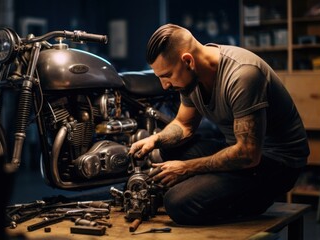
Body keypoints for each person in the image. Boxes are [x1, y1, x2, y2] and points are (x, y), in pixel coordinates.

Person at [128, 23, 310, 225]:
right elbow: (184, 124)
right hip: (241, 151)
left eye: (167, 75)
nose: (165, 85)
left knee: (176, 203)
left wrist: (187, 169)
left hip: (277, 164)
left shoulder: (242, 76)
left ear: (188, 61)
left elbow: (248, 154)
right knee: (168, 150)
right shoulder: (191, 79)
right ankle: (214, 190)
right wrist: (155, 139)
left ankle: (253, 200)